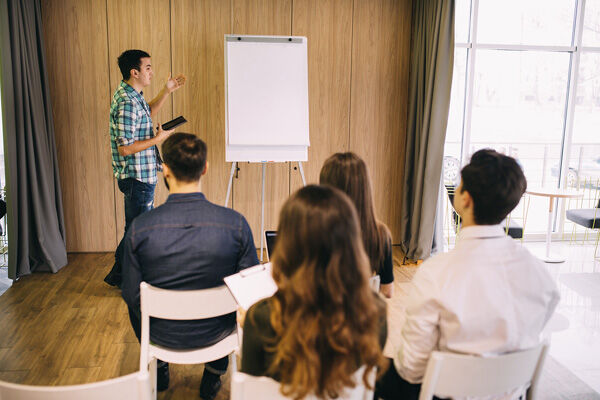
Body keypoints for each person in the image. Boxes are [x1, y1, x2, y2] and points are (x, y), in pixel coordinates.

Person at [375, 149, 560, 400]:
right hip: (510, 393)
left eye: (459, 186)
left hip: (444, 395)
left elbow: (410, 369)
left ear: (466, 200)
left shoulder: (436, 273)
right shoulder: (539, 274)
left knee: (369, 370)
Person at [121, 133, 259, 399]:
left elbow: (131, 294)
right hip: (218, 333)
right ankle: (215, 372)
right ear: (205, 168)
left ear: (166, 169)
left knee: (134, 296)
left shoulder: (140, 228)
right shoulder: (236, 224)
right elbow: (250, 292)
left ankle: (159, 364)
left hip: (160, 333)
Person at [241, 185, 387, 399]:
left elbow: (252, 393)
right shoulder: (375, 313)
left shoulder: (261, 319)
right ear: (352, 245)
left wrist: (249, 324)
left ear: (286, 247)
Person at [104, 49, 186, 287]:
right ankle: (128, 279)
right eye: (148, 67)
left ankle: (119, 276)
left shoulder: (133, 95)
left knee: (136, 229)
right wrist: (157, 139)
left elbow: (147, 112)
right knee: (137, 232)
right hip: (136, 177)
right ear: (134, 72)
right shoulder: (126, 102)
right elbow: (125, 148)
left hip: (144, 173)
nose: (152, 72)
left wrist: (167, 90)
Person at [319, 152, 394, 298]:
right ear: (365, 188)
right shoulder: (381, 234)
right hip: (362, 315)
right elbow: (388, 291)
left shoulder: (316, 230)